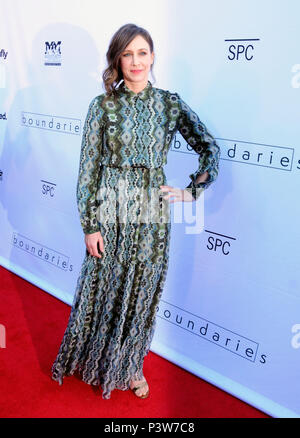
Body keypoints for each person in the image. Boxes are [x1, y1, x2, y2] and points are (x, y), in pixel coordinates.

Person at [51, 23, 220, 400]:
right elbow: (87, 170)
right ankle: (91, 358)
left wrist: (192, 190)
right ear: (117, 59)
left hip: (152, 216)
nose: (135, 61)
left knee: (142, 292)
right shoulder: (103, 106)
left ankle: (130, 365)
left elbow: (209, 146)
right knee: (102, 288)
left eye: (142, 52)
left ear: (153, 56)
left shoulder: (169, 103)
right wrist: (89, 225)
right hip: (110, 209)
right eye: (127, 54)